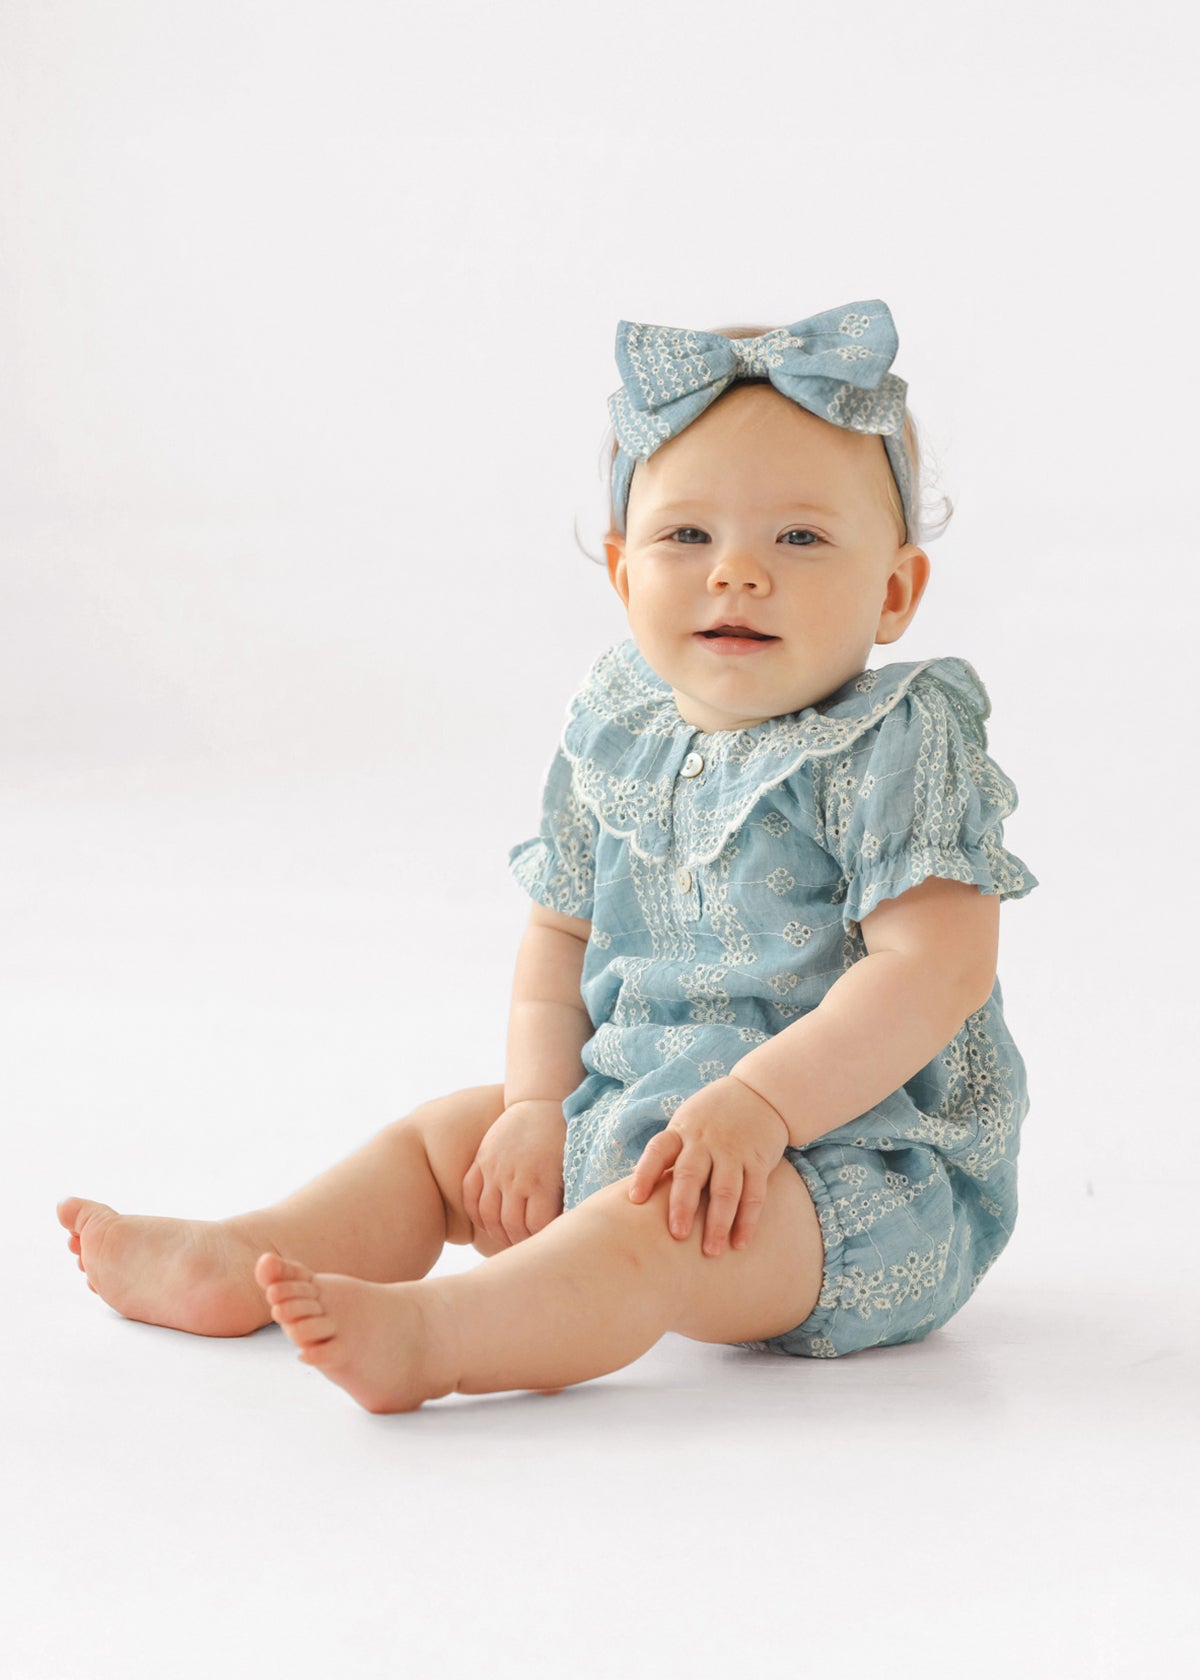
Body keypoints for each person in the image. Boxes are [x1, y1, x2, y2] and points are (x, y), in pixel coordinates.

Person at [57, 300, 1038, 1414]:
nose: (737, 574)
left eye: (800, 538)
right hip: (637, 1108)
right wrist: (534, 1106)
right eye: (687, 536)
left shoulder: (900, 741)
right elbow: (560, 929)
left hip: (845, 1175)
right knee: (446, 1143)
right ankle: (243, 1256)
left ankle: (443, 1338)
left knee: (650, 1234)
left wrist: (758, 1109)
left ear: (897, 590)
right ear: (622, 571)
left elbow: (932, 969)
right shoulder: (617, 724)